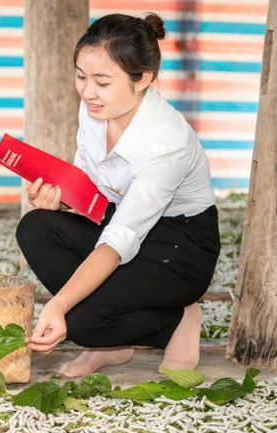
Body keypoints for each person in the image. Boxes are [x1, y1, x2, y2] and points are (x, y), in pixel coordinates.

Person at [16, 13, 220, 377]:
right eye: (81, 77)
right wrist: (59, 200)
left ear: (143, 79)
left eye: (103, 82)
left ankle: (177, 321)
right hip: (121, 218)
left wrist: (58, 306)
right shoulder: (96, 108)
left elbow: (118, 241)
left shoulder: (165, 142)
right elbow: (91, 185)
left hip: (180, 246)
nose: (88, 91)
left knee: (80, 321)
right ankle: (113, 344)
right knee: (35, 227)